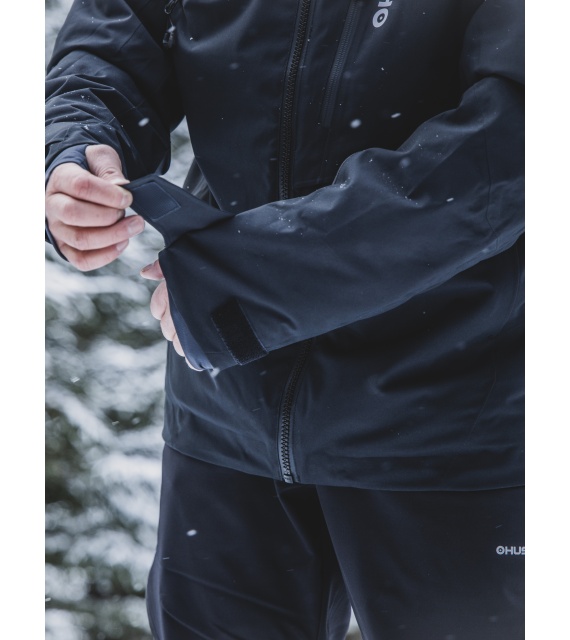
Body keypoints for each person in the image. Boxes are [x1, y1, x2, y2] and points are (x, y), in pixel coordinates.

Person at [45, 1, 524, 638]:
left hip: (450, 427)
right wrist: (73, 150)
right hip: (226, 418)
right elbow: (120, 31)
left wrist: (258, 280)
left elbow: (515, 141)